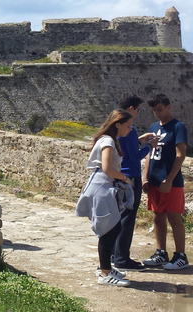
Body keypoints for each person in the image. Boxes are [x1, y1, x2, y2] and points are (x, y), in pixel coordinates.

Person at [75, 109, 135, 287]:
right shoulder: (108, 141)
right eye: (128, 126)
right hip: (102, 187)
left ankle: (105, 266)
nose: (130, 129)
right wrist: (125, 178)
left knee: (114, 227)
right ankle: (105, 273)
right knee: (108, 230)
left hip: (104, 186)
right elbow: (108, 168)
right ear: (117, 124)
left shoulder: (109, 140)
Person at [142, 94, 189, 270]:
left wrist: (169, 179)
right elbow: (149, 154)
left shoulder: (178, 127)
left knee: (173, 216)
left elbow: (180, 155)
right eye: (154, 110)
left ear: (169, 107)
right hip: (154, 179)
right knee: (157, 215)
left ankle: (180, 256)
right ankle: (161, 252)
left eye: (160, 109)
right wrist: (146, 177)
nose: (157, 113)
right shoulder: (154, 127)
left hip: (171, 181)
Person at [113, 94, 159, 271]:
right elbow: (135, 157)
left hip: (118, 176)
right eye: (138, 110)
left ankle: (113, 254)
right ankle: (122, 259)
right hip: (130, 177)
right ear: (131, 109)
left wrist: (140, 140)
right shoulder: (129, 129)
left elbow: (124, 148)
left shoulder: (117, 126)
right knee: (127, 219)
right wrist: (150, 145)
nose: (138, 113)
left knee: (117, 217)